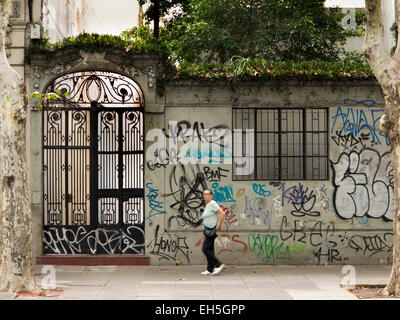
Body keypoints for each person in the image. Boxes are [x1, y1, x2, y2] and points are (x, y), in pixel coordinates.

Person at [200, 189, 225, 275]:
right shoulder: (207, 205)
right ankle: (210, 269)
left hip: (212, 231)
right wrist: (204, 234)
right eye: (204, 194)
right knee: (210, 249)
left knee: (205, 249)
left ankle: (218, 264)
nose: (205, 196)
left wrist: (219, 225)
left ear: (211, 195)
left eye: (207, 194)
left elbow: (222, 213)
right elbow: (206, 219)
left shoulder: (213, 204)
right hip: (207, 231)